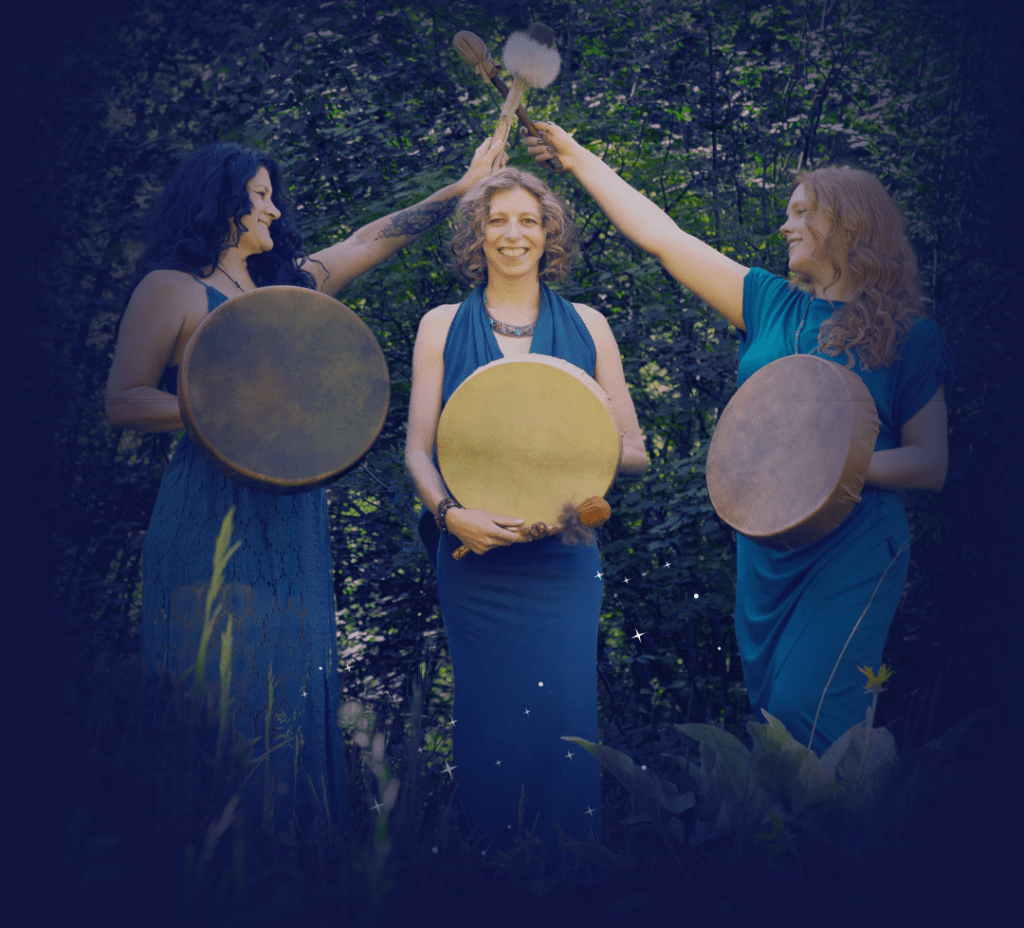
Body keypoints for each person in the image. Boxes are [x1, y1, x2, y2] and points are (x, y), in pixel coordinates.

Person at [106, 135, 507, 835]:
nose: (272, 207)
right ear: (218, 202)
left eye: (271, 193)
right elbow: (125, 400)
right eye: (257, 195)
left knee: (286, 674)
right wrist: (222, 416)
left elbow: (368, 240)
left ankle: (290, 863)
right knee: (214, 680)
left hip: (292, 510)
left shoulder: (286, 289)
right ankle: (207, 861)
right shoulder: (170, 288)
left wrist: (461, 188)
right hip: (209, 505)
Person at [526, 124, 951, 755]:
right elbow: (663, 236)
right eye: (787, 213)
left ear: (851, 224)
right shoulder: (768, 303)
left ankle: (846, 846)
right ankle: (800, 850)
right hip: (767, 547)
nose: (787, 226)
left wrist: (827, 467)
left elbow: (930, 463)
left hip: (855, 544)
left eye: (802, 212)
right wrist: (576, 158)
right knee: (772, 723)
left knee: (810, 712)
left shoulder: (910, 337)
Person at [405, 167, 648, 858]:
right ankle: (497, 878)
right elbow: (417, 453)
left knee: (566, 717)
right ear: (476, 235)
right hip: (473, 559)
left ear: (550, 235)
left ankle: (568, 877)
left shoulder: (589, 327)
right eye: (497, 220)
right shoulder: (441, 327)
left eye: (528, 221)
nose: (513, 234)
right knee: (489, 721)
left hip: (563, 562)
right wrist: (451, 515)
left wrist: (591, 456)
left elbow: (634, 451)